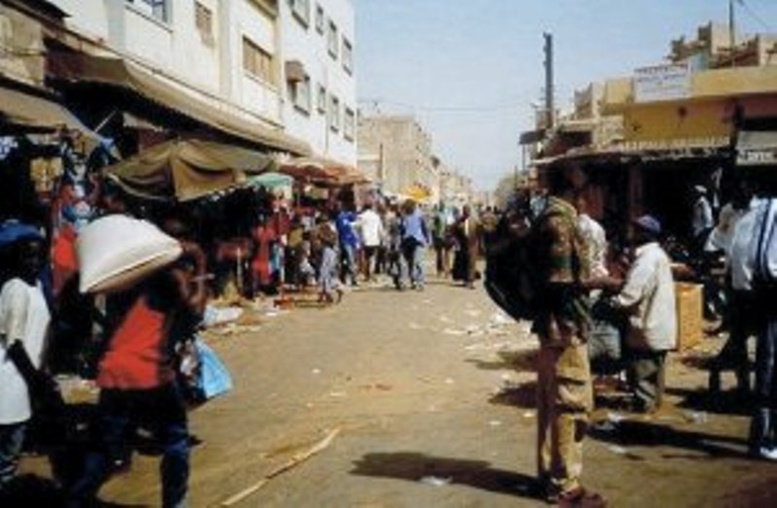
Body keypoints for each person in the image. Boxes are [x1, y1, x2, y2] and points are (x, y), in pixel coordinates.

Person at [68, 238, 207, 508]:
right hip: (148, 370)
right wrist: (201, 264)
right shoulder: (172, 276)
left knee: (106, 441)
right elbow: (195, 309)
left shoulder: (131, 283)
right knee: (176, 439)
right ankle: (176, 503)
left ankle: (78, 497)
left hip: (115, 369)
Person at [531, 165, 604, 506]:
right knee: (571, 405)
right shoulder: (560, 220)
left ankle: (550, 475)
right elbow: (560, 282)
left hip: (552, 328)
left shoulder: (548, 215)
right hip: (565, 329)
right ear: (577, 190)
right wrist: (604, 282)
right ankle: (565, 485)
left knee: (552, 404)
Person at [0, 228, 50, 497]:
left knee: (11, 451)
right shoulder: (17, 288)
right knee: (8, 453)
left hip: (23, 380)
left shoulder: (36, 286)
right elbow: (15, 344)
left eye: (39, 256)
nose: (34, 261)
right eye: (28, 256)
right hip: (10, 380)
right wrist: (36, 380)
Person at [611, 215, 677, 413]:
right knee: (655, 368)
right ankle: (654, 402)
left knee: (643, 367)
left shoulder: (646, 259)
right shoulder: (657, 255)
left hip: (648, 324)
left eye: (635, 230)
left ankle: (644, 406)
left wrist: (613, 303)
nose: (631, 234)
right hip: (660, 323)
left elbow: (631, 295)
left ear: (643, 234)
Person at [399, 199, 430, 291]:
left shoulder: (419, 215)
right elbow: (402, 229)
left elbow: (424, 227)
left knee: (416, 262)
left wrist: (427, 239)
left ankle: (419, 283)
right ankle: (406, 282)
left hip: (417, 241)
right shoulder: (404, 215)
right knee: (407, 263)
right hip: (407, 241)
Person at [452, 204, 481, 289]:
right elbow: (453, 232)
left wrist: (480, 246)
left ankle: (470, 281)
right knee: (464, 263)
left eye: (468, 211)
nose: (466, 212)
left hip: (473, 245)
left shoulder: (475, 221)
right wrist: (455, 241)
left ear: (470, 212)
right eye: (465, 211)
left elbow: (480, 233)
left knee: (472, 263)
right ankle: (465, 280)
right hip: (463, 245)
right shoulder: (458, 221)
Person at [357, 202, 383, 283]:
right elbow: (380, 229)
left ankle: (366, 275)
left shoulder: (361, 216)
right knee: (373, 258)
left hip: (365, 240)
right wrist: (382, 238)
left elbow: (357, 226)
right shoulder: (376, 216)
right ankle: (371, 274)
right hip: (375, 240)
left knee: (365, 258)